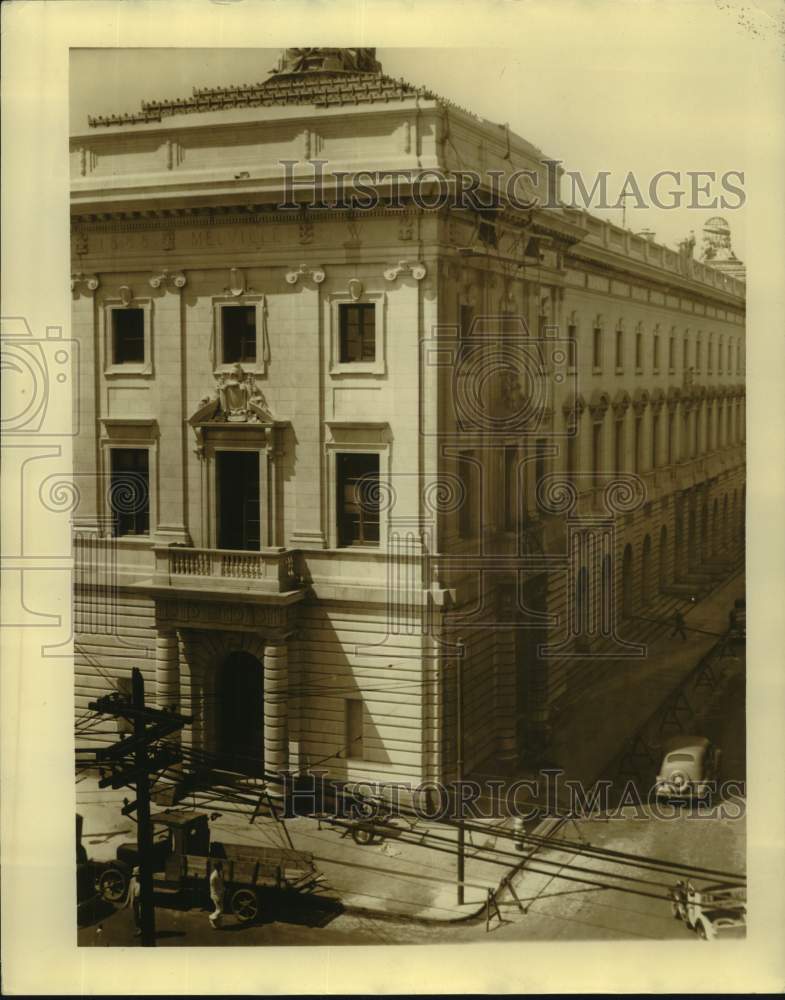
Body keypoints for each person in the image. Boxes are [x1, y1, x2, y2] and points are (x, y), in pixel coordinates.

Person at [208, 862, 225, 930]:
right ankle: (211, 917)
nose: (221, 868)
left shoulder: (219, 873)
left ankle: (217, 925)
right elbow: (213, 888)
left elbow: (220, 883)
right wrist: (218, 894)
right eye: (220, 867)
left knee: (220, 909)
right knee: (219, 910)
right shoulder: (213, 876)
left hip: (219, 894)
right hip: (216, 895)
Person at [127, 867, 142, 937]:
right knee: (136, 915)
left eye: (138, 875)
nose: (136, 877)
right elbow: (130, 892)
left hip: (141, 899)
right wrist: (130, 901)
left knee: (141, 914)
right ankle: (139, 929)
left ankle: (143, 929)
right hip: (135, 899)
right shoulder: (132, 880)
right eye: (135, 875)